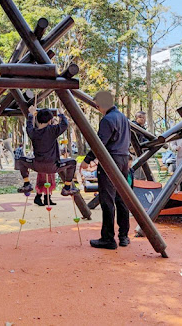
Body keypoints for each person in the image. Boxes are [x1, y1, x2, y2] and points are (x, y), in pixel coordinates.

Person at [79, 91, 131, 250]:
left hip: (110, 160)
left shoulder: (107, 119)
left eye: (97, 105)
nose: (97, 108)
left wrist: (87, 160)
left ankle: (108, 238)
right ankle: (123, 236)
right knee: (122, 198)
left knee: (107, 199)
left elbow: (99, 143)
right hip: (123, 159)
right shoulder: (123, 118)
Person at [15, 106, 78, 207]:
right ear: (50, 121)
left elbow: (29, 125)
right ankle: (67, 187)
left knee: (21, 160)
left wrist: (31, 114)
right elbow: (65, 124)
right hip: (53, 166)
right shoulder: (53, 130)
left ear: (38, 120)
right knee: (72, 162)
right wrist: (61, 114)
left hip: (37, 165)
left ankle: (26, 183)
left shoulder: (33, 132)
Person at [130, 111, 149, 180]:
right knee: (136, 175)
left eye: (145, 118)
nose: (144, 120)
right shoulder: (133, 127)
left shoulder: (142, 128)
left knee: (142, 175)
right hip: (133, 153)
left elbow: (144, 139)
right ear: (137, 118)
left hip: (141, 153)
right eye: (142, 118)